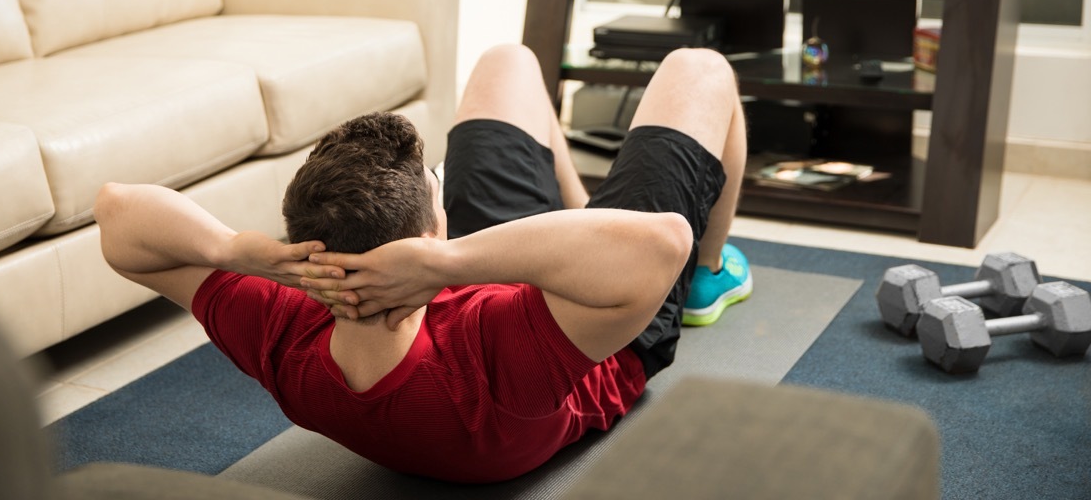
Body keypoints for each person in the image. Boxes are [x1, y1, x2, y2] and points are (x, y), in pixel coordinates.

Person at [96, 43, 752, 483]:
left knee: (508, 62)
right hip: (608, 325)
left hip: (476, 267)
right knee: (700, 67)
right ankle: (712, 275)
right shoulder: (491, 344)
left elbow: (117, 213)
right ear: (432, 234)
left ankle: (584, 209)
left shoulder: (282, 330)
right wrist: (451, 263)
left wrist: (236, 250)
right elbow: (662, 244)